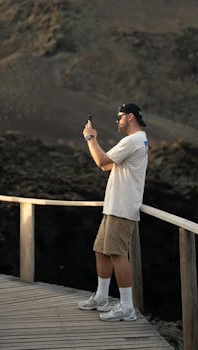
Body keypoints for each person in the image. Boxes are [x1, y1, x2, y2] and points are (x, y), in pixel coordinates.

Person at [79, 103, 148, 322]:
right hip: (114, 205)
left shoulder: (133, 140)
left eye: (119, 117)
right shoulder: (137, 141)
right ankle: (101, 297)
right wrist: (94, 142)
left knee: (118, 253)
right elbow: (108, 166)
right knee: (101, 250)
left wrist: (91, 138)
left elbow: (101, 162)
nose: (117, 121)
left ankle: (127, 306)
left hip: (122, 206)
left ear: (129, 117)